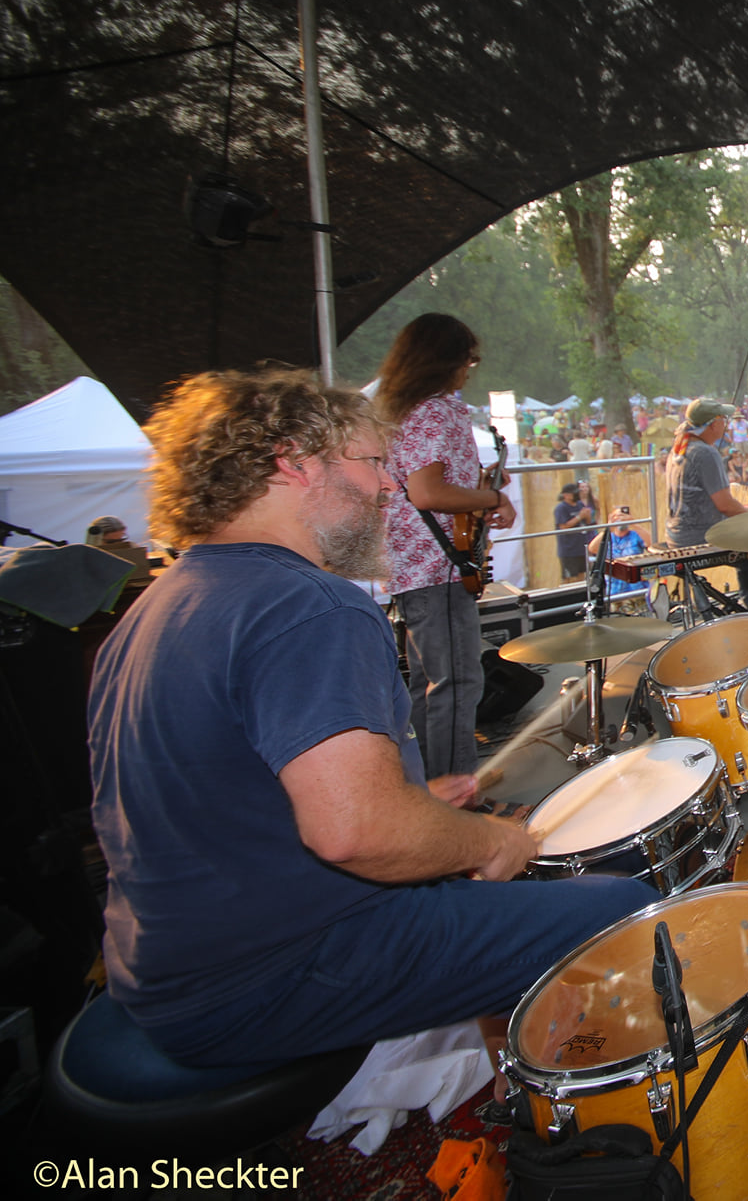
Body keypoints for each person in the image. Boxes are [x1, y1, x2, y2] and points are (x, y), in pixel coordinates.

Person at [88, 367, 655, 1067]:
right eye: (371, 463)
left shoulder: (156, 605)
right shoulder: (308, 606)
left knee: (488, 875)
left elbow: (225, 804)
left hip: (162, 968)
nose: (389, 486)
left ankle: (514, 1075)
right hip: (264, 977)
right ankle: (584, 1138)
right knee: (615, 906)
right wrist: (479, 842)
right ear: (294, 462)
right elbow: (351, 833)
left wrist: (409, 808)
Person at [375, 313, 513, 781]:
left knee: (429, 684)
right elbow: (427, 493)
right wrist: (493, 497)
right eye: (468, 360)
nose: (469, 370)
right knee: (457, 683)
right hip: (436, 567)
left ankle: (424, 789)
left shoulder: (401, 409)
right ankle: (455, 800)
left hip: (416, 566)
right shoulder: (434, 410)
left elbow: (432, 484)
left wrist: (479, 486)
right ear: (448, 360)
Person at [668, 396, 748, 610]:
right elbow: (725, 505)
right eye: (723, 420)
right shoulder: (705, 453)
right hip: (699, 536)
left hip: (676, 534)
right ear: (714, 423)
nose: (726, 425)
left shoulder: (679, 448)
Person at [588, 505, 650, 602]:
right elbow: (592, 548)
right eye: (617, 516)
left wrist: (633, 523)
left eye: (623, 516)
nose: (621, 519)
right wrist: (609, 527)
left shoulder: (635, 535)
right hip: (615, 592)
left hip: (637, 590)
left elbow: (650, 543)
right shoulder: (608, 537)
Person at [552, 483, 594, 580]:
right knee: (569, 578)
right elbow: (564, 526)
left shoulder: (579, 504)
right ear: (565, 495)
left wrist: (587, 516)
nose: (576, 495)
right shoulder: (561, 508)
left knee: (581, 575)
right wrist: (579, 516)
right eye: (573, 493)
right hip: (569, 550)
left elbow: (587, 522)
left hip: (581, 547)